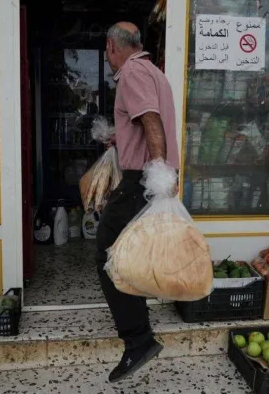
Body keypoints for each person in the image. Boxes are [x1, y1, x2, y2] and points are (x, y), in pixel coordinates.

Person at [97, 21, 180, 383]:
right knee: (127, 257)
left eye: (106, 51)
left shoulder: (131, 72)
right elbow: (144, 124)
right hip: (146, 179)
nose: (107, 57)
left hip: (139, 182)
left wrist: (159, 173)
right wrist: (120, 138)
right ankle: (139, 334)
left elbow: (151, 120)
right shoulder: (154, 72)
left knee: (107, 254)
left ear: (113, 47)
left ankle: (138, 341)